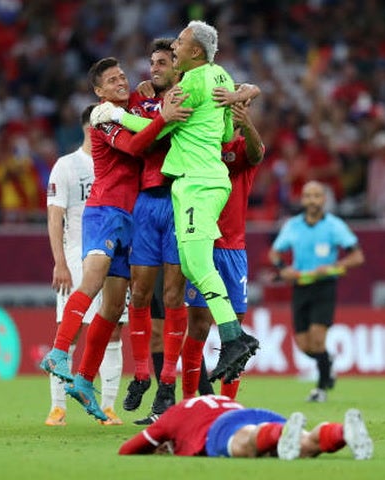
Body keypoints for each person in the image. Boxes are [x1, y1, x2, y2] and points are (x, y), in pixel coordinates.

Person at [91, 20, 260, 384]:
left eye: (181, 43)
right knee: (192, 263)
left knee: (197, 264)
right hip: (199, 183)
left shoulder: (191, 85)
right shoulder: (220, 76)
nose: (176, 47)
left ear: (195, 51)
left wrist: (116, 115)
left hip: (198, 183)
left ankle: (234, 337)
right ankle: (234, 337)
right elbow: (225, 132)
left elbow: (158, 126)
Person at [39, 57, 190, 421]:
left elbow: (148, 114)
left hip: (130, 217)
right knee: (92, 281)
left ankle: (83, 379)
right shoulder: (102, 116)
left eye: (123, 76)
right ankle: (58, 352)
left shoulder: (133, 106)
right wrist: (164, 118)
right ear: (99, 91)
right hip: (104, 211)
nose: (121, 82)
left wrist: (154, 97)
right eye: (112, 80)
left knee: (112, 306)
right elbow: (135, 147)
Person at [120, 38, 192, 420]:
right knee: (140, 293)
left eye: (162, 62)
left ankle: (167, 387)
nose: (154, 68)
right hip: (147, 202)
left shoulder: (190, 98)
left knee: (173, 295)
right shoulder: (140, 101)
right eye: (152, 62)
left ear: (177, 67)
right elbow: (136, 145)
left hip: (180, 200)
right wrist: (159, 115)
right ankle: (141, 375)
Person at [44, 104, 126, 427]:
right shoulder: (66, 166)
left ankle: (108, 407)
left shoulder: (118, 162)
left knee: (113, 327)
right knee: (71, 328)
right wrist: (59, 262)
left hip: (113, 254)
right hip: (76, 255)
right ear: (89, 128)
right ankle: (57, 407)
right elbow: (55, 216)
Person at [182, 90, 264, 402]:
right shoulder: (201, 146)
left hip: (233, 250)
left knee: (235, 332)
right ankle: (190, 401)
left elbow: (257, 154)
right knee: (198, 327)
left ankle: (228, 403)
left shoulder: (242, 148)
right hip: (203, 243)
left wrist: (248, 123)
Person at [268, 181, 364, 403]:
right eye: (308, 196)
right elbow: (275, 253)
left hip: (324, 286)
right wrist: (284, 269)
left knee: (318, 339)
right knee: (304, 345)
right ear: (302, 199)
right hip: (300, 286)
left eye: (317, 196)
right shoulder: (293, 225)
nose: (312, 200)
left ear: (324, 199)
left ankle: (321, 389)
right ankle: (327, 362)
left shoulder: (334, 226)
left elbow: (357, 256)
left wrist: (333, 267)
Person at [118, 394, 373, 461]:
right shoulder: (216, 400)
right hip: (253, 413)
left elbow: (127, 450)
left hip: (221, 427)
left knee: (246, 444)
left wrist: (155, 447)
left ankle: (279, 435)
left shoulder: (171, 416)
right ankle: (343, 432)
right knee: (305, 446)